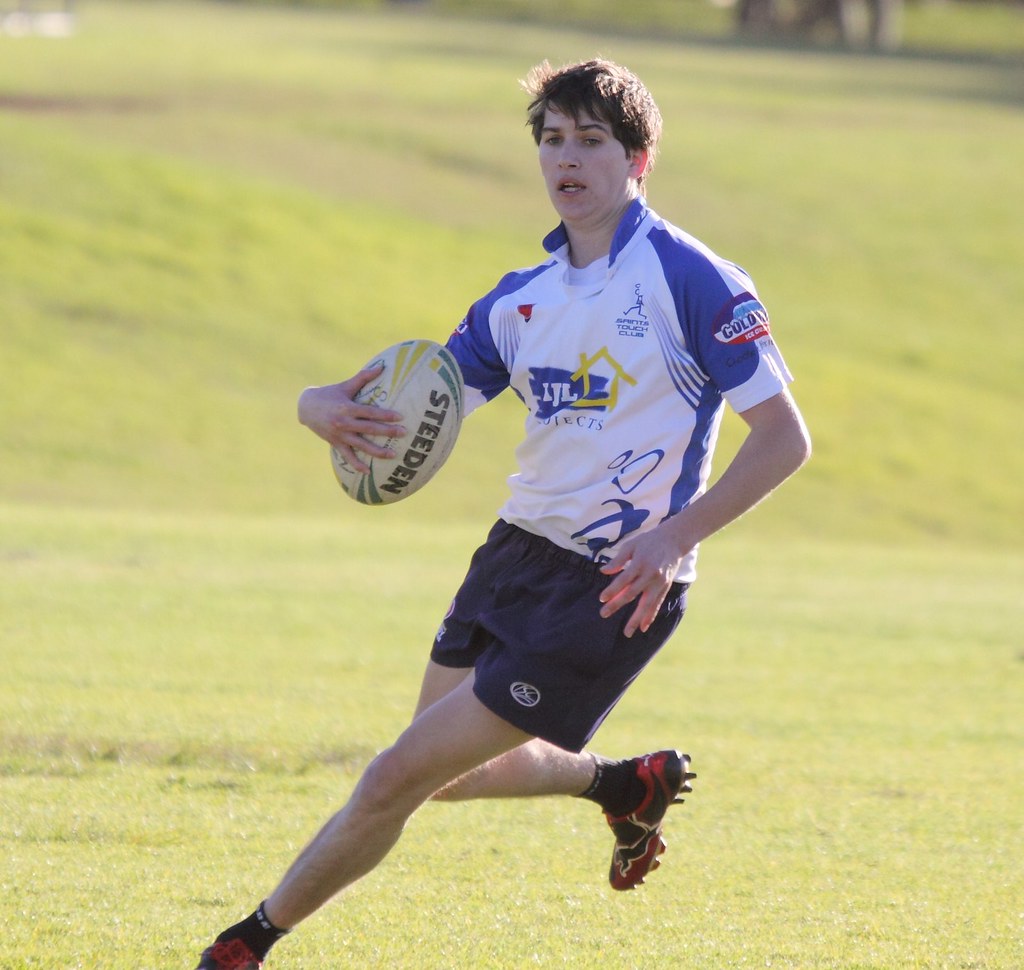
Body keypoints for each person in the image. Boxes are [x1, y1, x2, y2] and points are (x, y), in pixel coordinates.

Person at [194, 57, 811, 970]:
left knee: (394, 776)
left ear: (638, 158)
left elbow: (784, 439)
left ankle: (248, 942)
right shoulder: (521, 297)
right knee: (442, 780)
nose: (568, 158)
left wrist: (675, 536)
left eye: (592, 141)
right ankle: (623, 784)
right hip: (513, 555)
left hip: (615, 583)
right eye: (552, 140)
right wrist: (315, 405)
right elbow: (413, 401)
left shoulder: (692, 278)